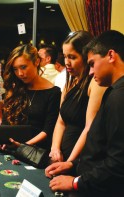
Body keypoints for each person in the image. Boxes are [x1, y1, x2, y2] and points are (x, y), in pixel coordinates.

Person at [45, 30, 124, 197]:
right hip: (86, 178)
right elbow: (99, 149)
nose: (90, 72)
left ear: (111, 55)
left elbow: (117, 162)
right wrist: (72, 164)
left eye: (92, 63)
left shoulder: (119, 96)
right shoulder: (114, 91)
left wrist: (75, 182)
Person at [49, 31, 107, 163]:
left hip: (80, 161)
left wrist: (70, 162)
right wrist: (55, 149)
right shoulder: (70, 82)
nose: (67, 62)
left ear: (86, 57)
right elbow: (60, 121)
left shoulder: (95, 83)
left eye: (72, 57)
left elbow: (89, 127)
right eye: (64, 57)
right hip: (61, 158)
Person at [0, 44, 61, 151]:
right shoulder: (15, 89)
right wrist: (1, 140)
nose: (20, 73)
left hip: (37, 151)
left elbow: (48, 130)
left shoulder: (53, 92)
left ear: (37, 62)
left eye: (23, 67)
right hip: (11, 148)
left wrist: (23, 146)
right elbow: (6, 123)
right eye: (15, 69)